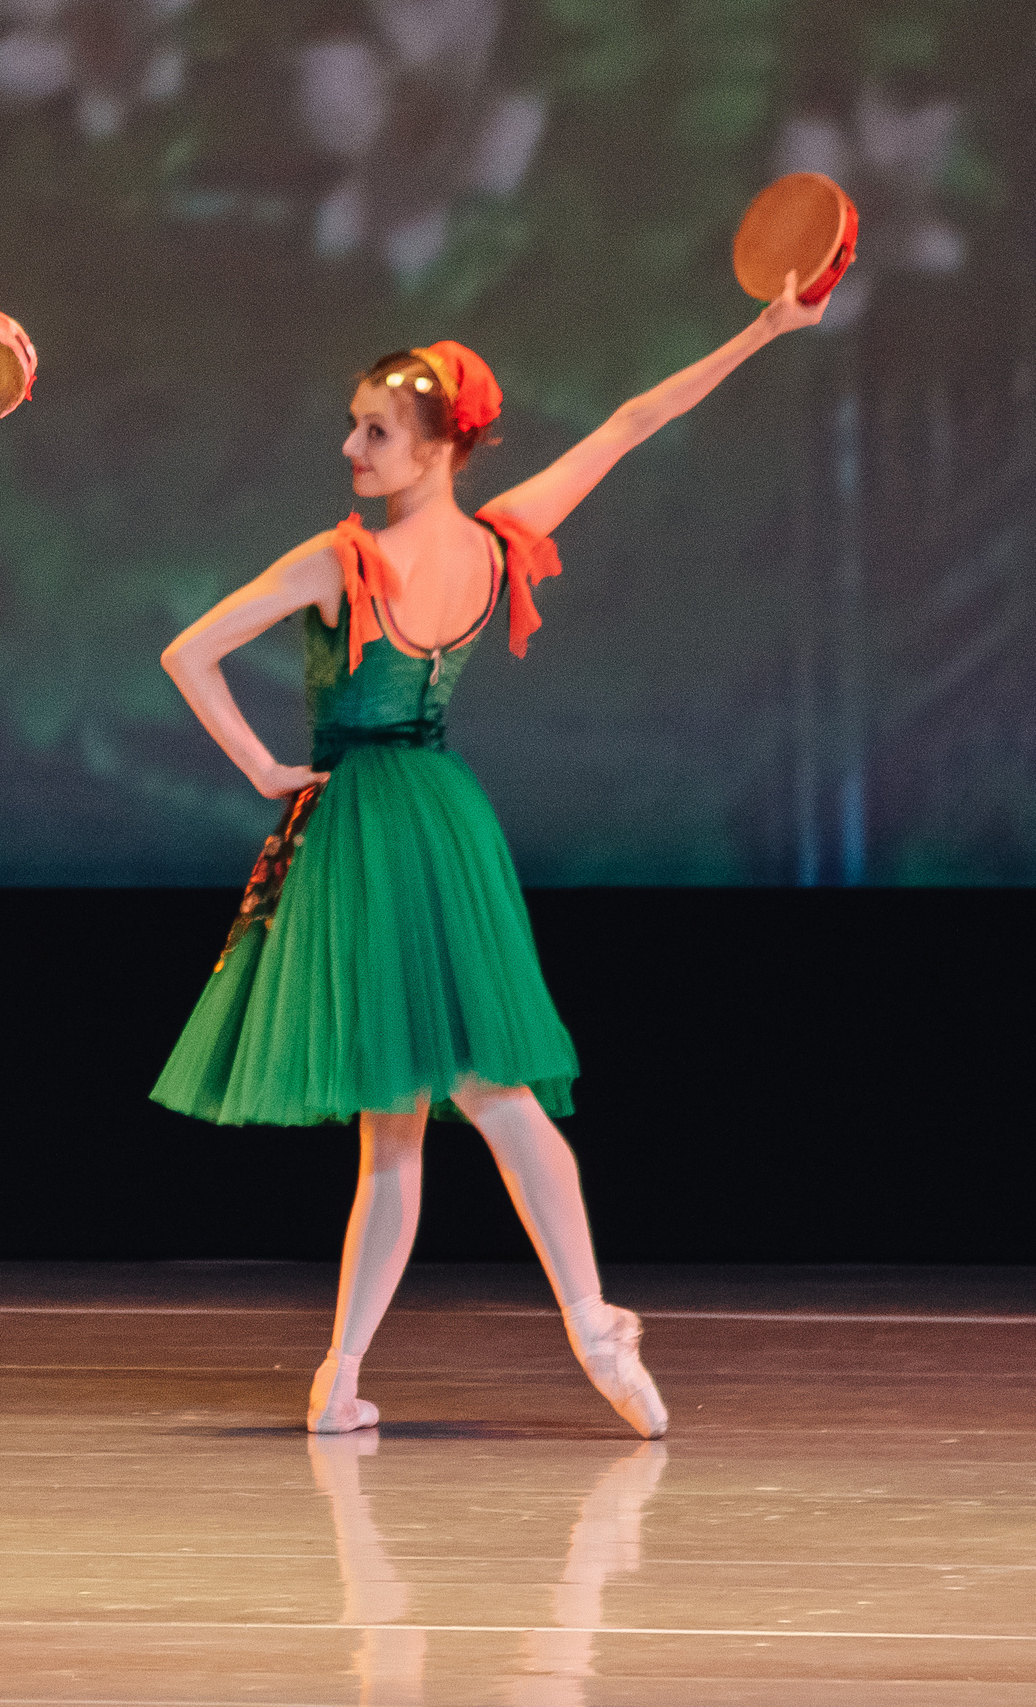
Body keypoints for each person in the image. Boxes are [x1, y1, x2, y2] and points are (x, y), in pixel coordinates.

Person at [150, 272, 832, 1438]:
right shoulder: (496, 541)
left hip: (370, 825)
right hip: (440, 817)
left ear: (434, 447)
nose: (351, 445)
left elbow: (187, 653)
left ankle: (584, 1319)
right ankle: (354, 1370)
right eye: (355, 424)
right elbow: (629, 423)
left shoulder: (341, 560)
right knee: (411, 1118)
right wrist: (765, 330)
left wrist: (267, 771)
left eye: (375, 429)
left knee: (467, 1098)